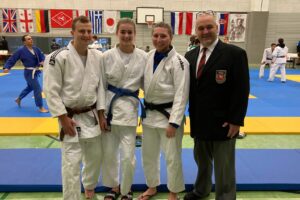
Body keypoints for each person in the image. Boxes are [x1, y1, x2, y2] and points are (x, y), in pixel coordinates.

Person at [184, 11, 249, 200]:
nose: (205, 31)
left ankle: (226, 197)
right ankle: (201, 190)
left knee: (224, 166)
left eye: (209, 27)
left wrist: (236, 120)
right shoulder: (190, 56)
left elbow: (241, 90)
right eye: (201, 28)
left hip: (224, 123)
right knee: (202, 162)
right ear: (195, 31)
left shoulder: (235, 54)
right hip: (199, 120)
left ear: (217, 28)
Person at [43, 15, 106, 200]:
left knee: (94, 158)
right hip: (70, 117)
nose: (86, 35)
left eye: (89, 31)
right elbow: (51, 90)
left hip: (92, 115)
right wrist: (62, 118)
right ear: (72, 33)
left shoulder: (98, 56)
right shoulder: (57, 57)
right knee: (71, 164)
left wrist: (102, 114)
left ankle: (89, 188)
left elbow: (101, 87)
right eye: (82, 31)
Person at [139, 22, 190, 200]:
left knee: (172, 157)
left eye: (163, 36)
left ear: (171, 37)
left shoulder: (180, 62)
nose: (159, 39)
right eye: (156, 35)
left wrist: (174, 122)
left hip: (169, 117)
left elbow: (182, 94)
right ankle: (152, 186)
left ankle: (173, 192)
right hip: (149, 116)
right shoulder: (148, 56)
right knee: (148, 155)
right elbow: (141, 82)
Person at [101, 18, 147, 200]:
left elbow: (148, 84)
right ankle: (114, 187)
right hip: (109, 110)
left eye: (130, 32)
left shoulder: (144, 57)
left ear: (135, 34)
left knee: (128, 156)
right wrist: (100, 114)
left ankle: (127, 188)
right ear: (117, 33)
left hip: (129, 110)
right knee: (110, 154)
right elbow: (100, 87)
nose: (127, 36)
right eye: (123, 32)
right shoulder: (106, 57)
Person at [3, 34, 48, 113]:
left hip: (35, 71)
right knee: (37, 89)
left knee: (30, 87)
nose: (31, 40)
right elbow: (12, 59)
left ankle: (18, 99)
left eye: (31, 38)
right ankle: (40, 107)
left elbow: (42, 58)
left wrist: (43, 62)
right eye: (28, 39)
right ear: (24, 42)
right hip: (28, 73)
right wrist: (7, 67)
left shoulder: (36, 49)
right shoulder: (21, 50)